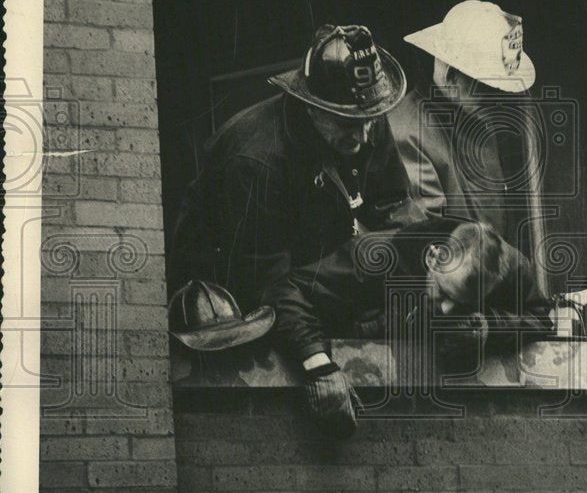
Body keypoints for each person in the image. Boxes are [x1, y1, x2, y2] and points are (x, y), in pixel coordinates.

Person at [170, 23, 422, 315]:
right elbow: (267, 282)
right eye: (348, 124)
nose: (364, 137)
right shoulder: (255, 162)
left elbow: (396, 207)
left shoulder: (364, 116)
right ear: (312, 107)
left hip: (306, 271)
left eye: (371, 121)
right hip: (227, 301)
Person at [270, 217, 553, 436]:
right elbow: (286, 289)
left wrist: (491, 326)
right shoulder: (377, 256)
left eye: (465, 304)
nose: (446, 309)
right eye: (443, 292)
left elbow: (541, 318)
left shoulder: (511, 268)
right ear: (433, 257)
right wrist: (317, 363)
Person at [390, 0, 536, 252]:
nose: (497, 96)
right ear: (450, 76)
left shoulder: (477, 121)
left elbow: (495, 224)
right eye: (486, 85)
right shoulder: (406, 132)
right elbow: (429, 244)